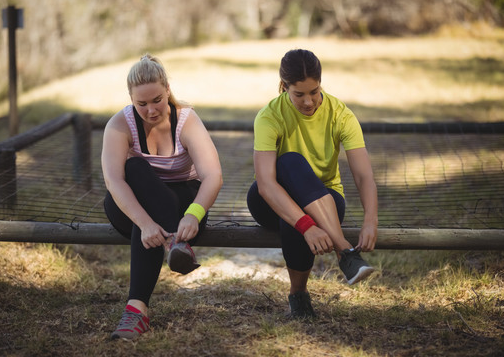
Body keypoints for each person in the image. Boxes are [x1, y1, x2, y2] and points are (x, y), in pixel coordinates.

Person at [246, 49, 378, 319]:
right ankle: (345, 251)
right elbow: (266, 184)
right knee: (290, 161)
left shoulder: (341, 114)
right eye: (299, 94)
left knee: (299, 215)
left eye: (314, 91)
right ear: (284, 88)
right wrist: (307, 227)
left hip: (325, 201)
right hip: (270, 201)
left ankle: (298, 294)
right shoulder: (269, 116)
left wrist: (370, 220)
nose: (308, 101)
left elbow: (364, 175)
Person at [102, 54, 223, 340]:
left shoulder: (186, 119)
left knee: (160, 205)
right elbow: (113, 181)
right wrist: (145, 223)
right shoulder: (120, 124)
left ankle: (136, 311)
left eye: (157, 99)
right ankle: (176, 247)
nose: (151, 110)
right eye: (141, 104)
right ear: (130, 99)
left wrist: (194, 214)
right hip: (134, 211)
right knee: (133, 167)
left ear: (167, 88)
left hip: (184, 214)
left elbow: (213, 176)